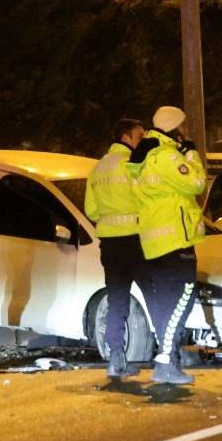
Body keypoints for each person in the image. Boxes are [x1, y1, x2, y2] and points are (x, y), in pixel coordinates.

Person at [131, 106, 206, 387]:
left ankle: (167, 361)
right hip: (176, 239)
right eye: (183, 127)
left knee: (164, 305)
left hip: (155, 241)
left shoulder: (145, 157)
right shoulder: (167, 155)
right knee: (183, 299)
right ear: (175, 129)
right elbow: (197, 183)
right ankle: (165, 361)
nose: (186, 132)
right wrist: (192, 154)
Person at [83, 118, 147, 380]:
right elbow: (146, 199)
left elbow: (91, 210)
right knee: (153, 298)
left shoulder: (98, 168)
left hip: (110, 245)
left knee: (117, 300)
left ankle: (116, 357)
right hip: (137, 240)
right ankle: (169, 356)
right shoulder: (134, 165)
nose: (143, 141)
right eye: (140, 136)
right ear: (127, 137)